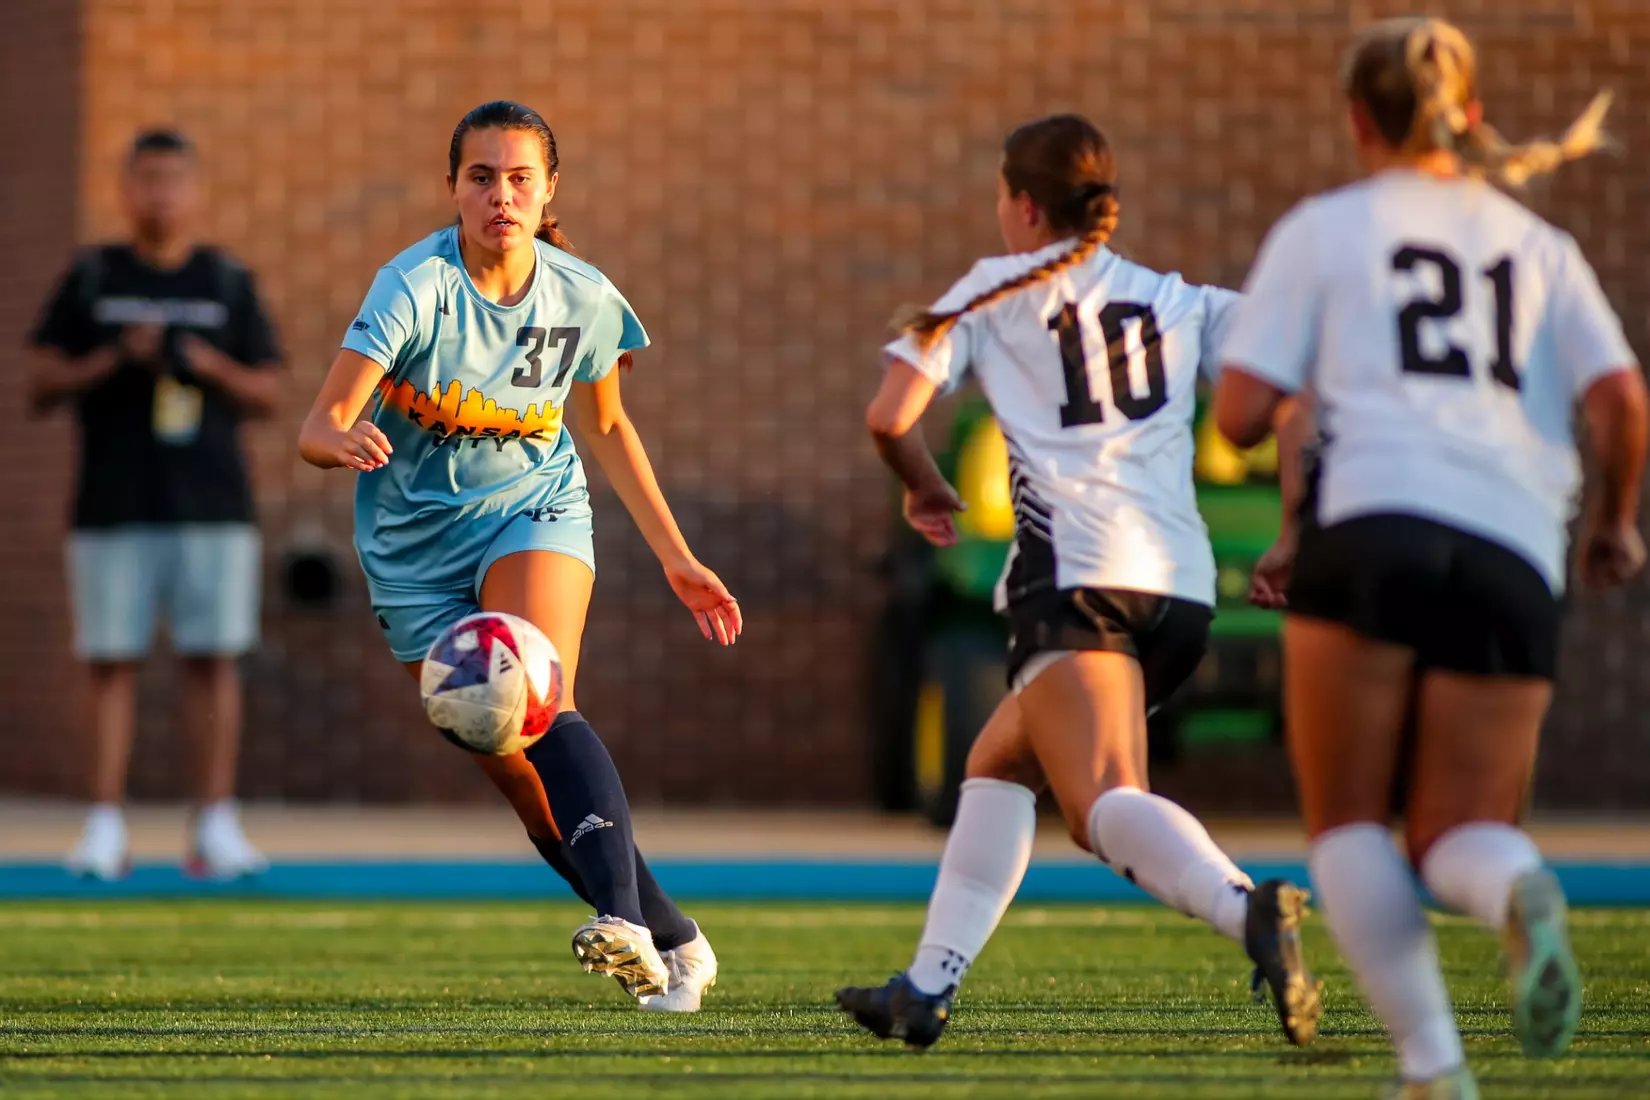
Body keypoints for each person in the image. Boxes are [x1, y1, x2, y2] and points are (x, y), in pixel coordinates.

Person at [1213, 19, 1647, 1099]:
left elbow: (1237, 412)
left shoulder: (1324, 230)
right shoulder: (1539, 245)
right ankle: (1519, 890)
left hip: (1370, 527)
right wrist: (1612, 523)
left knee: (1350, 821)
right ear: (1467, 110)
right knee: (1463, 826)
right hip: (1512, 543)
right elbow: (1622, 400)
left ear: (1357, 118)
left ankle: (1434, 1066)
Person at [835, 113, 1321, 1050]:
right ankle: (924, 990)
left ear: (1022, 204)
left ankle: (1248, 911)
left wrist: (927, 489)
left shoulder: (995, 291)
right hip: (1179, 592)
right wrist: (1290, 532)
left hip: (1073, 581)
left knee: (1101, 805)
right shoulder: (1178, 298)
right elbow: (1288, 397)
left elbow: (890, 414)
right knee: (996, 765)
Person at [298, 101, 737, 1011]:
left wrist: (677, 556)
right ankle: (673, 934)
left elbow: (609, 426)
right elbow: (319, 423)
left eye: (520, 178)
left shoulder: (581, 292)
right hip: (413, 549)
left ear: (549, 192)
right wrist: (337, 442)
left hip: (533, 509)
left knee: (538, 696)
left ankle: (618, 922)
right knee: (519, 774)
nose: (502, 195)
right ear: (453, 187)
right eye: (482, 177)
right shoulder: (413, 285)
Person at [26, 128, 283, 882]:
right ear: (125, 189)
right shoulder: (93, 276)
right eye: (145, 179)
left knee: (214, 662)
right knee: (110, 663)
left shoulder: (225, 281)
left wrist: (203, 363)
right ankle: (104, 825)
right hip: (113, 503)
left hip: (213, 504)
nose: (159, 194)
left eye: (172, 179)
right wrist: (114, 357)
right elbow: (38, 381)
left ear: (194, 189)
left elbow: (270, 389)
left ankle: (215, 825)